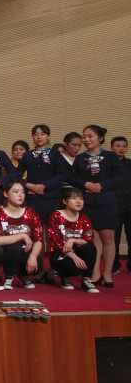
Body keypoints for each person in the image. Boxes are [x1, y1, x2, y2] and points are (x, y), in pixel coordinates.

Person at [69, 125, 122, 287]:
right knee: (93, 239)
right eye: (84, 136)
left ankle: (108, 274)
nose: (86, 139)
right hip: (87, 202)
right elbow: (72, 178)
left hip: (106, 201)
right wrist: (86, 184)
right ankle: (95, 272)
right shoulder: (80, 158)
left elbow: (119, 177)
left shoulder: (111, 156)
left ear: (100, 138)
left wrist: (102, 186)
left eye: (90, 136)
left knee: (108, 238)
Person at [0, 180, 44, 290]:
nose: (20, 195)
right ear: (5, 194)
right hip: (6, 252)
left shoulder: (30, 212)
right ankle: (8, 277)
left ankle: (24, 275)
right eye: (15, 191)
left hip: (26, 251)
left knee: (38, 261)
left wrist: (33, 256)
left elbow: (38, 239)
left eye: (22, 192)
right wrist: (22, 235)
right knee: (14, 247)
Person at [46, 187, 99, 292]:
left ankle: (86, 280)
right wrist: (73, 256)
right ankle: (64, 277)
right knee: (70, 265)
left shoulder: (84, 217)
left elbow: (88, 238)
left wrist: (72, 240)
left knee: (90, 248)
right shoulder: (56, 216)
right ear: (64, 201)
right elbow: (55, 240)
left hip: (76, 250)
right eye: (74, 198)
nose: (78, 201)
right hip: (60, 251)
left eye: (81, 199)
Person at [18, 125, 66, 227]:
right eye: (36, 134)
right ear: (32, 137)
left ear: (48, 136)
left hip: (51, 196)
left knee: (52, 227)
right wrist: (29, 186)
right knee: (33, 227)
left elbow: (62, 175)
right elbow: (17, 175)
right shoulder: (27, 155)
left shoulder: (55, 154)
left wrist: (45, 185)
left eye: (42, 134)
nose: (39, 137)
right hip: (32, 197)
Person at [110, 136, 131, 273]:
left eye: (124, 146)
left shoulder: (130, 163)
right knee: (114, 238)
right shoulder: (107, 165)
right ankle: (114, 266)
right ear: (112, 148)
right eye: (118, 146)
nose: (121, 148)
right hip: (113, 205)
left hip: (129, 204)